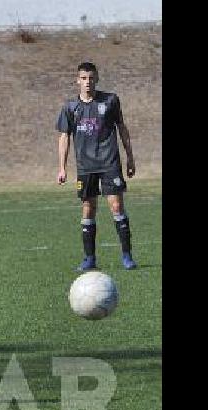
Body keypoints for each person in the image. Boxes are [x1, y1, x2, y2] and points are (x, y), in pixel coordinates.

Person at [56, 61, 139, 271]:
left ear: (97, 79)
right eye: (83, 78)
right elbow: (64, 137)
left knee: (117, 206)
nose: (87, 82)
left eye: (91, 78)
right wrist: (62, 167)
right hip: (85, 166)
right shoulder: (70, 108)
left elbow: (122, 129)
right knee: (88, 208)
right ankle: (89, 259)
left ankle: (127, 256)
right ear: (77, 81)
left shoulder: (110, 101)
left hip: (109, 162)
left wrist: (130, 157)